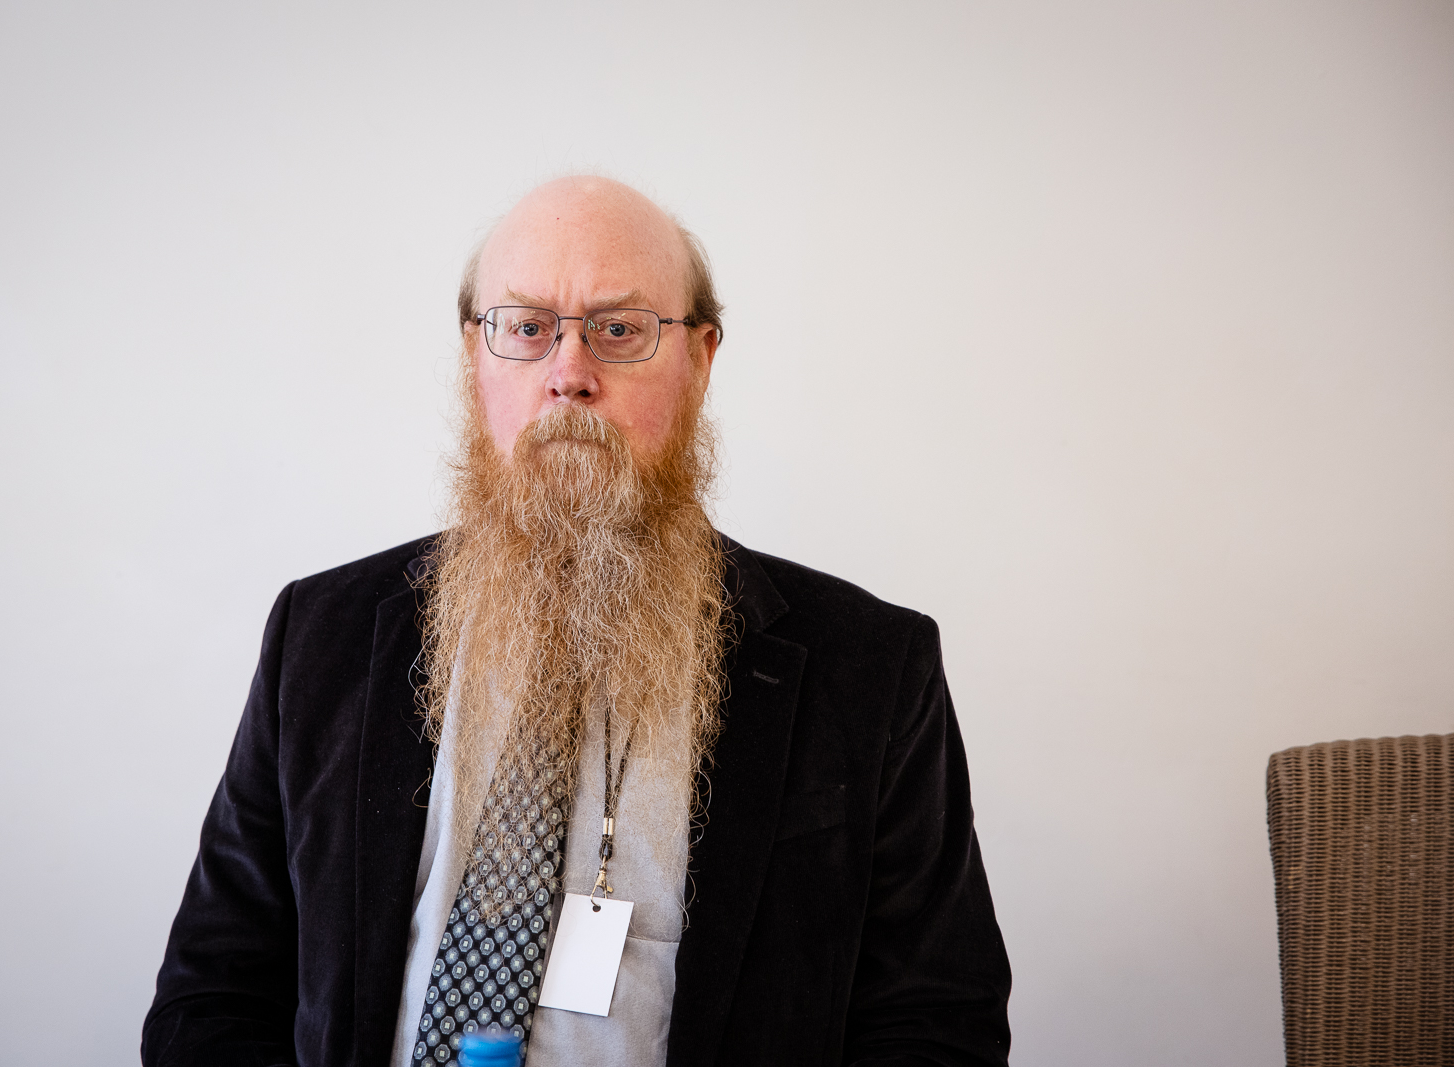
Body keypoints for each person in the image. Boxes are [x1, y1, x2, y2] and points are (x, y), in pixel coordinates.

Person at [142, 177, 1011, 1067]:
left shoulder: (871, 670)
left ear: (700, 358)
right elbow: (211, 996)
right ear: (475, 358)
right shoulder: (319, 638)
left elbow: (939, 1025)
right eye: (526, 327)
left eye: (620, 329)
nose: (569, 374)